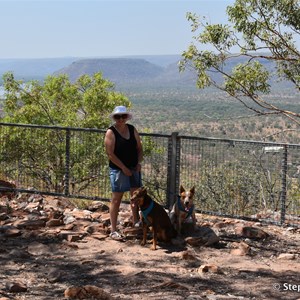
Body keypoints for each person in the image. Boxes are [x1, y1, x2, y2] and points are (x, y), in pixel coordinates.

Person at [104, 105, 143, 240]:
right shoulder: (111, 132)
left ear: (126, 117)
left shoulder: (132, 130)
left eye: (123, 116)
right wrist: (123, 168)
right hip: (118, 170)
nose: (120, 119)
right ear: (114, 118)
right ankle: (113, 229)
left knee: (135, 196)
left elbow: (139, 148)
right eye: (117, 117)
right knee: (116, 199)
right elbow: (110, 154)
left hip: (133, 167)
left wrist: (138, 163)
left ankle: (136, 221)